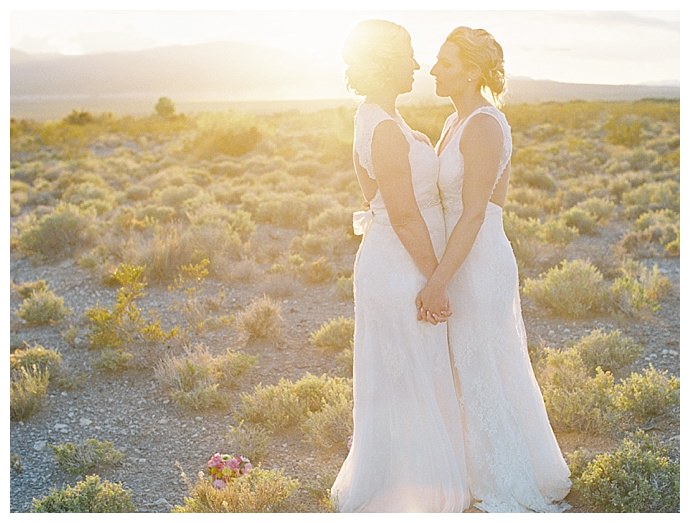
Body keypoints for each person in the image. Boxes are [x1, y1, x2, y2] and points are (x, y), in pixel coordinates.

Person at [416, 26, 572, 512]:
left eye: (444, 62)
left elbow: (475, 213)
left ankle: (504, 479)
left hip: (478, 260)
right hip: (458, 255)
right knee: (467, 366)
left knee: (482, 364)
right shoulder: (452, 122)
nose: (433, 69)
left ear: (472, 70)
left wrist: (438, 280)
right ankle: (469, 469)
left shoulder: (484, 124)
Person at [330, 19, 470, 512]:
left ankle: (411, 479)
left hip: (394, 257)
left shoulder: (378, 117)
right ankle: (411, 492)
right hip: (401, 264)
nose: (416, 65)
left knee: (411, 373)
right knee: (406, 375)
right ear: (388, 63)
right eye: (408, 55)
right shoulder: (385, 129)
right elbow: (406, 216)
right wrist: (437, 280)